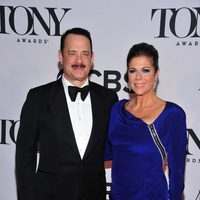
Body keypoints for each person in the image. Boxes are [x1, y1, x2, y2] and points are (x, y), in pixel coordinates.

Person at [16, 27, 118, 200]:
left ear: (92, 58)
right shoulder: (38, 98)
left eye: (85, 53)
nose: (79, 60)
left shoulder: (108, 99)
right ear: (60, 56)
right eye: (72, 53)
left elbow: (120, 147)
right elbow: (25, 156)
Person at [105, 43, 187, 200]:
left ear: (156, 73)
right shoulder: (116, 110)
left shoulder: (172, 114)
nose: (138, 77)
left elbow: (177, 176)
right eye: (132, 70)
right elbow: (103, 153)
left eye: (145, 70)